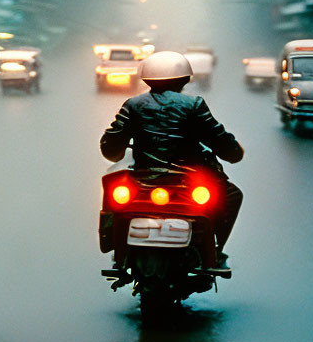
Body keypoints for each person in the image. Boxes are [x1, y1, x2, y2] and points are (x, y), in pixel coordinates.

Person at [99, 51, 244, 265]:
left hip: (142, 181)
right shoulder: (194, 105)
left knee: (113, 195)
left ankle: (116, 250)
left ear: (146, 78)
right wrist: (234, 152)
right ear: (184, 79)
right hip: (187, 183)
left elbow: (110, 148)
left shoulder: (133, 104)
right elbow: (222, 142)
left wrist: (120, 150)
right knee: (232, 195)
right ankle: (215, 249)